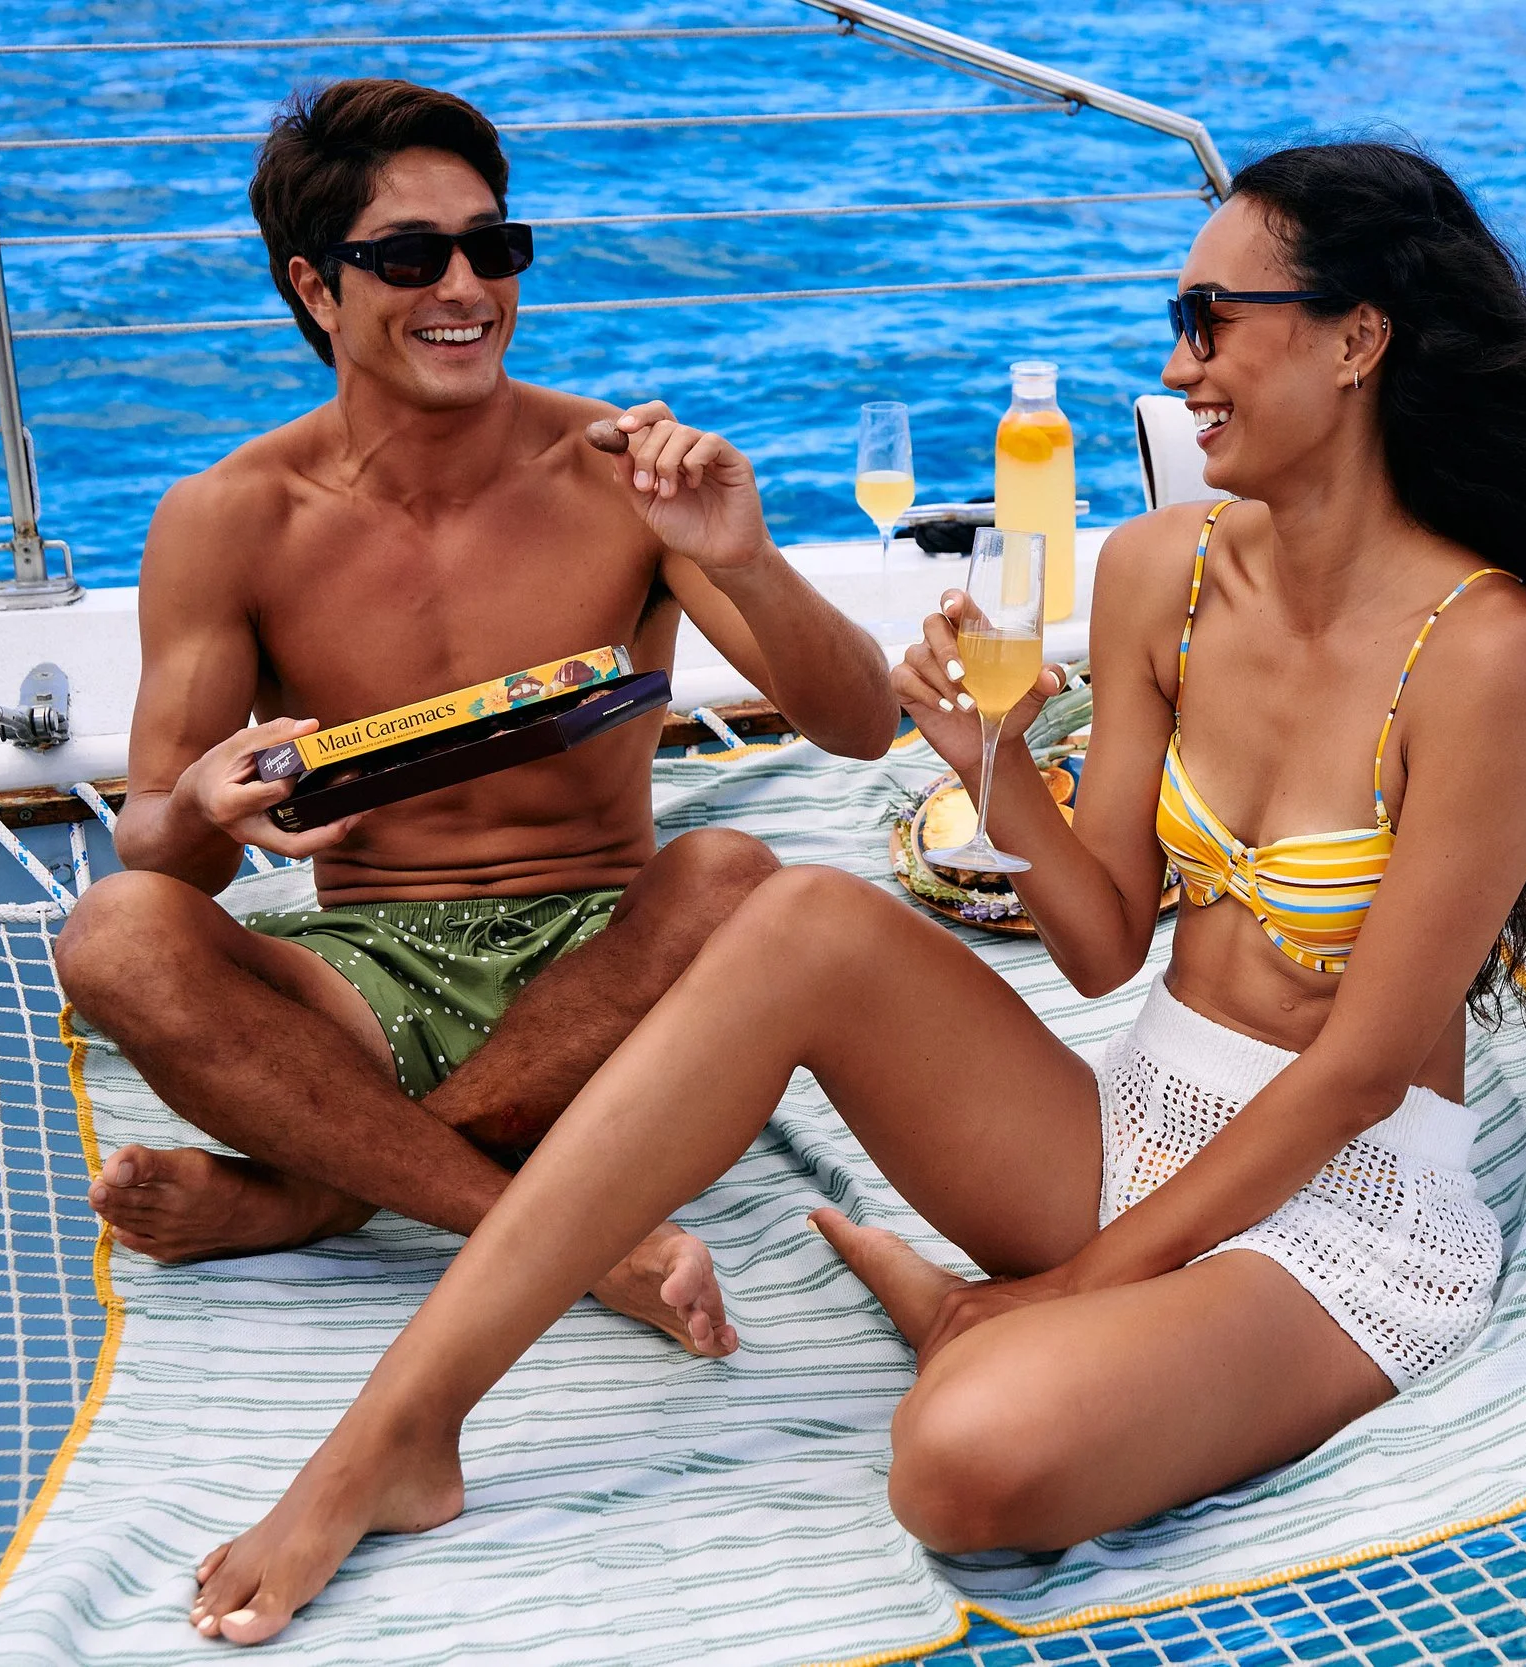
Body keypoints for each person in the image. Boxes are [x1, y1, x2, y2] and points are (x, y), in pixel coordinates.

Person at [183, 137, 1526, 1644]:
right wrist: (997, 755)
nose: (1179, 361)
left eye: (1215, 319)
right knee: (803, 916)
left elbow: (1356, 1075)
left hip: (1345, 1210)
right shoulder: (1164, 566)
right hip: (1143, 1120)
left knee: (962, 1463)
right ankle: (393, 1436)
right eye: (1180, 314)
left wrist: (1067, 1284)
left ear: (1358, 339)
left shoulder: (1489, 650)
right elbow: (1099, 949)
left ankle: (969, 1314)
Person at [49, 79, 897, 1357]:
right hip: (368, 975)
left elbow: (859, 728)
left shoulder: (622, 473)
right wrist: (212, 807)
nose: (464, 287)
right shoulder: (230, 519)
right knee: (115, 934)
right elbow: (165, 848)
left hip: (610, 956)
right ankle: (570, 1240)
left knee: (732, 874)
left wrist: (751, 554)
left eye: (491, 248)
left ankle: (330, 1184)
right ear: (315, 287)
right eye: (408, 256)